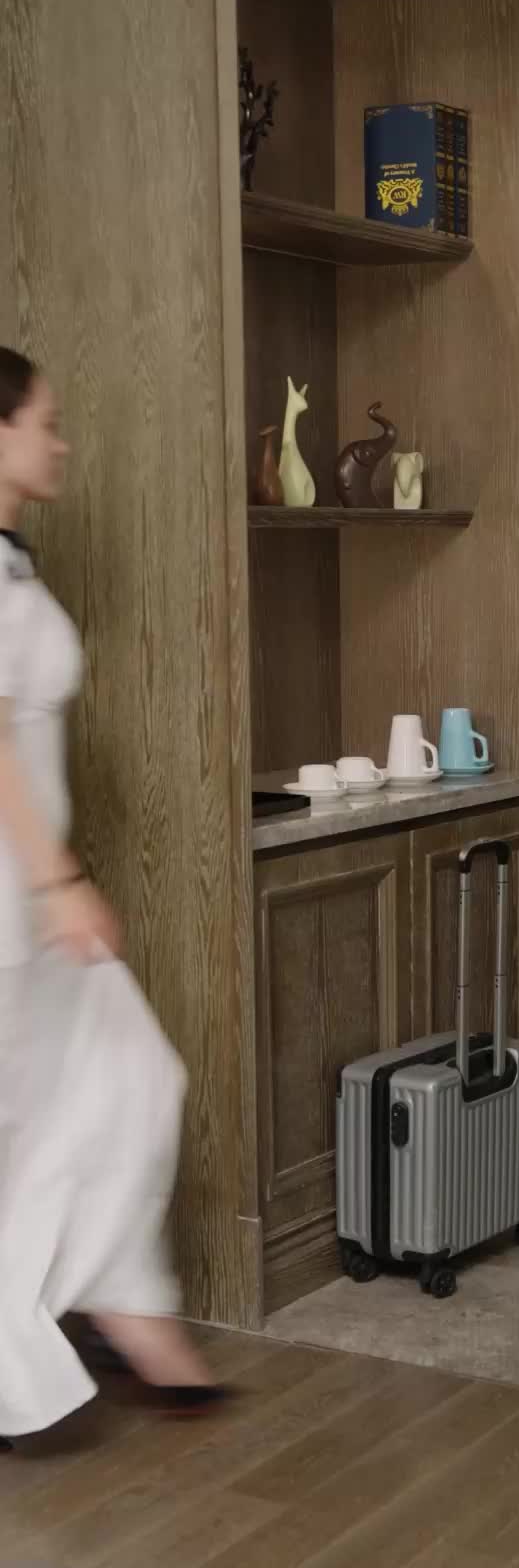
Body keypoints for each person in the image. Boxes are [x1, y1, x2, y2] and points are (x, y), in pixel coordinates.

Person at [0, 346, 228, 1444]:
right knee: (64, 1109)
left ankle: (121, 1307)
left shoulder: (12, 565)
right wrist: (60, 879)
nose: (63, 442)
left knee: (126, 1078)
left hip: (32, 892)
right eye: (45, 422)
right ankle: (95, 1328)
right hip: (19, 895)